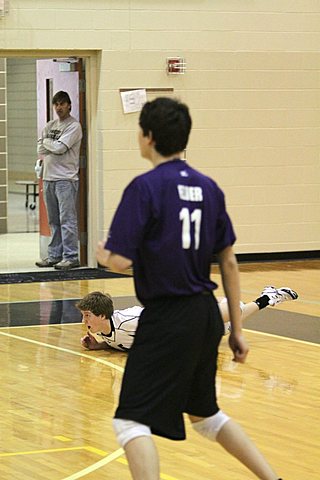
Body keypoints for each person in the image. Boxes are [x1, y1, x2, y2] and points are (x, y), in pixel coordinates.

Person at [96, 97, 283, 480]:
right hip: (204, 313)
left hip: (168, 317)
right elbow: (229, 262)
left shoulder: (144, 187)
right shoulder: (209, 188)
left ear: (147, 138)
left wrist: (103, 255)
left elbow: (119, 261)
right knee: (205, 415)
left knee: (130, 422)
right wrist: (239, 331)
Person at [78, 286, 298, 352]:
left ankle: (265, 297)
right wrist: (98, 345)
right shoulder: (105, 331)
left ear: (102, 315)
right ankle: (268, 297)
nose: (83, 321)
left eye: (87, 316)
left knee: (230, 312)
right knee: (228, 325)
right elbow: (118, 341)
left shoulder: (130, 320)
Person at [35, 91, 82, 271]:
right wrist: (49, 144)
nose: (59, 107)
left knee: (67, 219)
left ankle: (71, 256)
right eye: (56, 104)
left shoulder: (74, 126)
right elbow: (41, 147)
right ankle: (54, 255)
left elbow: (61, 148)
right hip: (48, 178)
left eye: (62, 104)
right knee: (53, 220)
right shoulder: (50, 125)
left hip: (66, 179)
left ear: (69, 105)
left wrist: (48, 143)